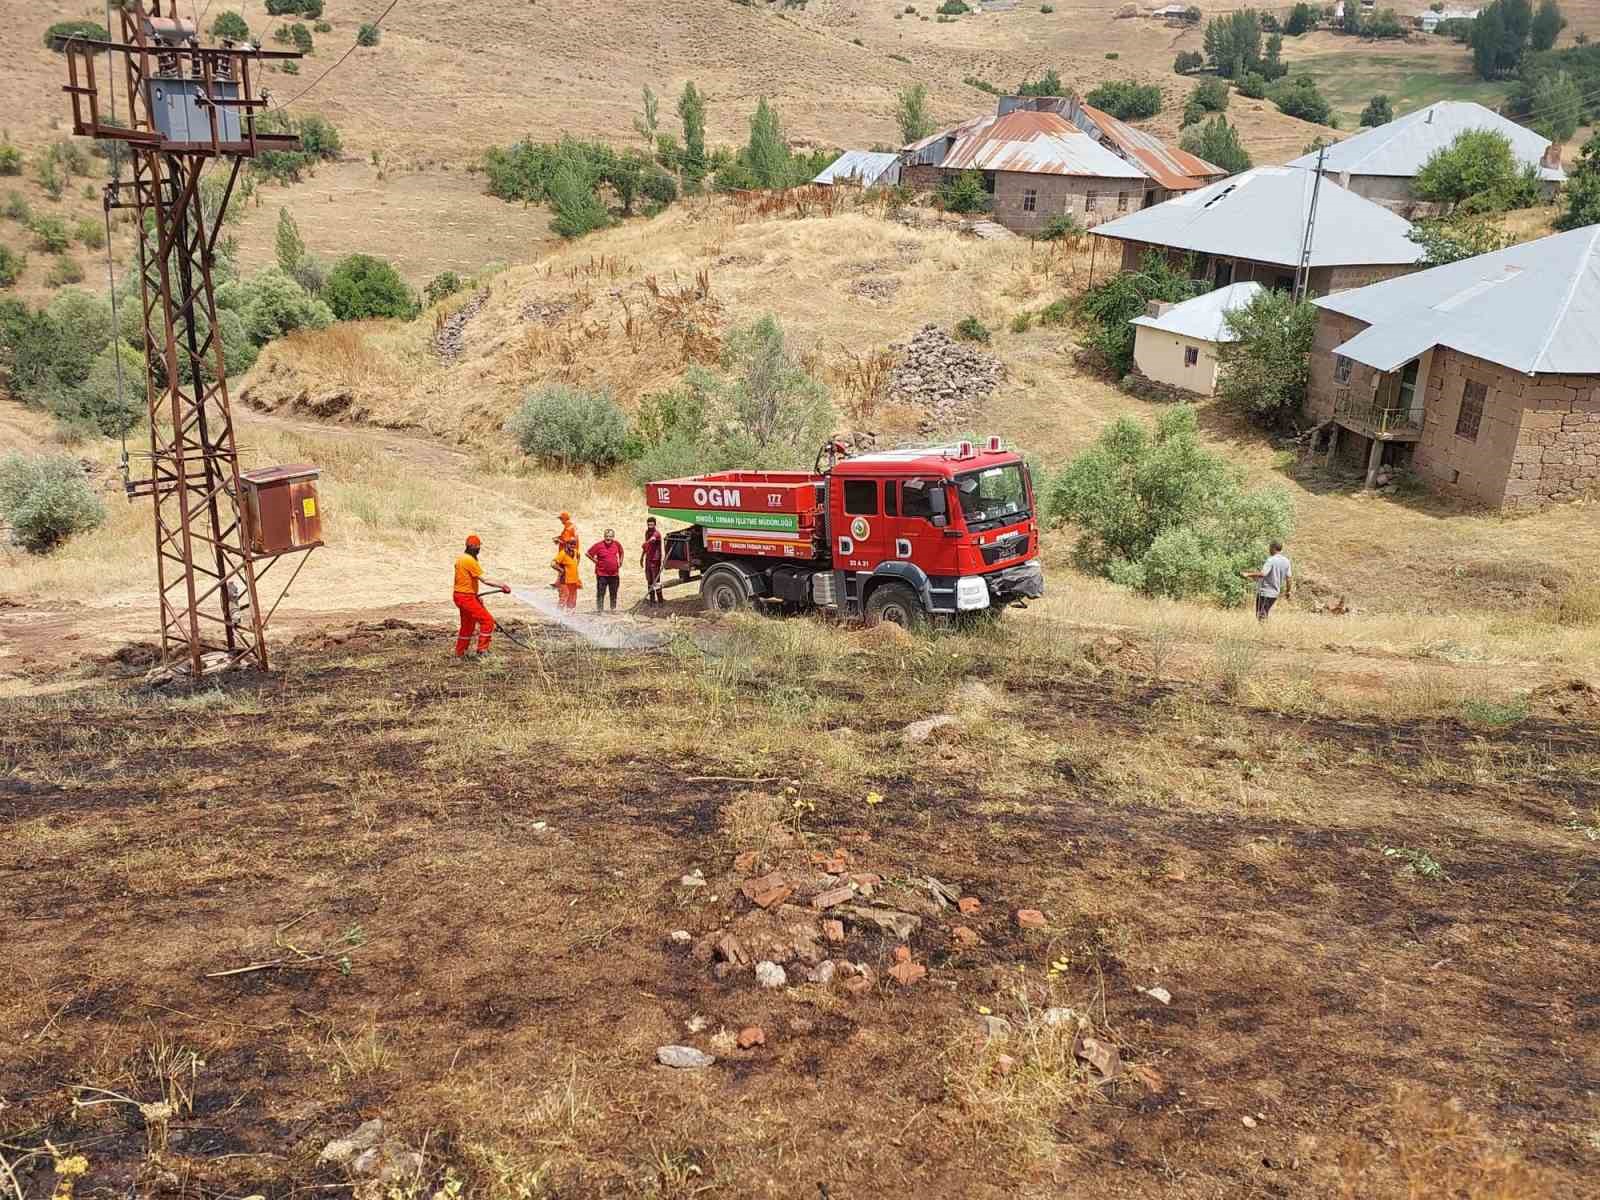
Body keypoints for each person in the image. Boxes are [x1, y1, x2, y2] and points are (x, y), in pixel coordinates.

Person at [452, 534, 510, 658]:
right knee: (487, 621)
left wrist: (475, 595)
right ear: (473, 546)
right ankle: (482, 650)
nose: (479, 549)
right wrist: (502, 585)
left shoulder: (461, 559)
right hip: (466, 597)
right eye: (478, 547)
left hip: (461, 595)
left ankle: (460, 652)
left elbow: (465, 580)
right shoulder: (469, 560)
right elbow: (485, 580)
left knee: (467, 626)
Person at [1242, 540, 1292, 622]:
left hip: (1265, 592)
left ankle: (1264, 632)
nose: (1269, 550)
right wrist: (1288, 591)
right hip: (1275, 593)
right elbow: (1289, 578)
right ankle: (1265, 631)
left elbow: (1263, 574)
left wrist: (1248, 574)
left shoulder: (1271, 560)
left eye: (1270, 548)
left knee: (1261, 616)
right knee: (1264, 613)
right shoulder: (1286, 561)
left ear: (1273, 548)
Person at [587, 528, 623, 613]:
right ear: (604, 536)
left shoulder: (616, 544)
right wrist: (595, 561)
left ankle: (613, 609)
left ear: (613, 537)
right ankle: (600, 610)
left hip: (614, 574)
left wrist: (620, 561)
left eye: (610, 536)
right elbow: (588, 553)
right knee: (600, 593)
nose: (608, 538)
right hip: (602, 574)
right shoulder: (598, 545)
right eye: (606, 536)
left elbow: (621, 551)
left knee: (613, 593)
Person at [552, 536, 582, 611]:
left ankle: (570, 615)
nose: (572, 546)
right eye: (570, 544)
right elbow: (553, 564)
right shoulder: (562, 553)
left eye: (574, 544)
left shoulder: (576, 552)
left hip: (574, 580)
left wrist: (574, 567)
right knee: (564, 597)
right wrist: (561, 570)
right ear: (566, 544)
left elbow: (578, 558)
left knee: (573, 599)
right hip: (565, 580)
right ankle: (558, 614)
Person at [641, 516, 664, 606]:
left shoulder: (656, 533)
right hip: (648, 559)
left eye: (652, 524)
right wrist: (642, 556)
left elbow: (652, 539)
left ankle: (660, 600)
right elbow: (646, 546)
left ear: (654, 524)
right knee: (649, 579)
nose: (650, 525)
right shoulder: (647, 532)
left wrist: (645, 544)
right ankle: (652, 600)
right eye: (649, 524)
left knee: (656, 580)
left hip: (655, 560)